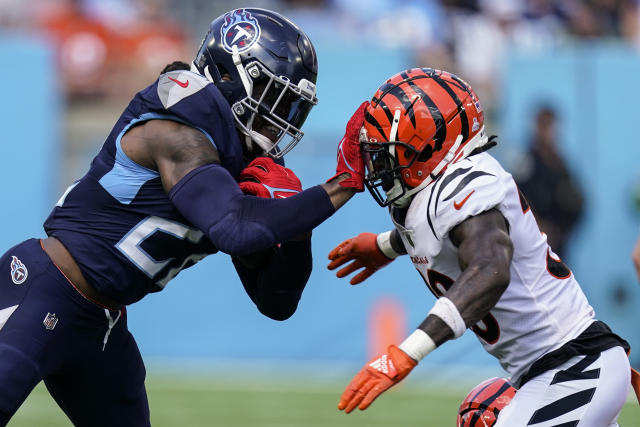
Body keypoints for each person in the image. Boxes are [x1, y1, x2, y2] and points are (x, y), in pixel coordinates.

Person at [0, 8, 368, 426]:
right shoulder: (177, 132)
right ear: (230, 75)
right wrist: (341, 185)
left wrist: (296, 220)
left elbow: (276, 300)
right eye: (274, 95)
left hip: (102, 325)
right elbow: (236, 230)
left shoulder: (233, 160)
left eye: (291, 106)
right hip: (45, 292)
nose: (280, 116)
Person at [328, 68, 633, 425]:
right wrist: (385, 246)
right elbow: (446, 234)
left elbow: (491, 269)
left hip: (573, 366)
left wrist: (408, 352)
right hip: (547, 373)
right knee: (480, 412)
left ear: (431, 143)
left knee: (484, 411)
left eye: (390, 152)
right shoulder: (434, 195)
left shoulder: (465, 183)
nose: (381, 164)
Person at [514, 105, 584, 259]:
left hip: (558, 244)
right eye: (543, 125)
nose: (547, 132)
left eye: (550, 126)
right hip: (532, 244)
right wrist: (537, 226)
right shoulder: (526, 162)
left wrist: (562, 231)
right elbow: (516, 199)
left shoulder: (560, 163)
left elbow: (576, 201)